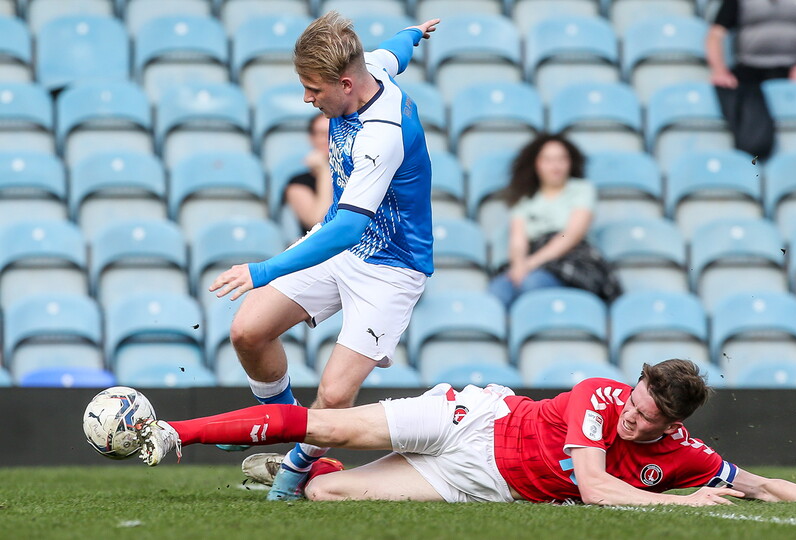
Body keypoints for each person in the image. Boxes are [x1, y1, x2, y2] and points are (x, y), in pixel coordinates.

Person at [206, 12, 440, 500]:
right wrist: (414, 33)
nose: (307, 99)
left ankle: (294, 471)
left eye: (313, 89)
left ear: (346, 84)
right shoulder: (369, 67)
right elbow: (394, 51)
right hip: (341, 244)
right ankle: (277, 419)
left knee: (334, 395)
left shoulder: (381, 133)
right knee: (248, 331)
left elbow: (350, 227)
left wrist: (263, 270)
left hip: (391, 268)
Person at [134, 359, 796, 507]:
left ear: (673, 425)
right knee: (333, 422)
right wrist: (681, 506)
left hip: (481, 480)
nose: (632, 414)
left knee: (330, 499)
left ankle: (303, 472)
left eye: (649, 415)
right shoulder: (600, 396)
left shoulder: (684, 455)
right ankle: (175, 433)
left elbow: (759, 485)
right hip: (476, 419)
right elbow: (596, 488)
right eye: (637, 398)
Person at [488, 134, 620, 307]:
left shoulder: (582, 190)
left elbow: (570, 234)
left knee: (534, 283)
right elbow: (518, 241)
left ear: (570, 162)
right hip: (532, 256)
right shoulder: (524, 199)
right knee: (498, 290)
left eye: (561, 159)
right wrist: (519, 265)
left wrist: (531, 263)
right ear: (537, 164)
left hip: (570, 257)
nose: (555, 166)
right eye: (548, 160)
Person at [705, 0, 796, 161]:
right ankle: (753, 154)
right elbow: (715, 35)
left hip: (795, 69)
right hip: (751, 71)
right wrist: (719, 70)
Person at [285, 113, 334, 235]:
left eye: (332, 132)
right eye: (322, 133)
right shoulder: (298, 183)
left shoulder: (354, 175)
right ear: (312, 138)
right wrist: (325, 171)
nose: (328, 138)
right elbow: (319, 222)